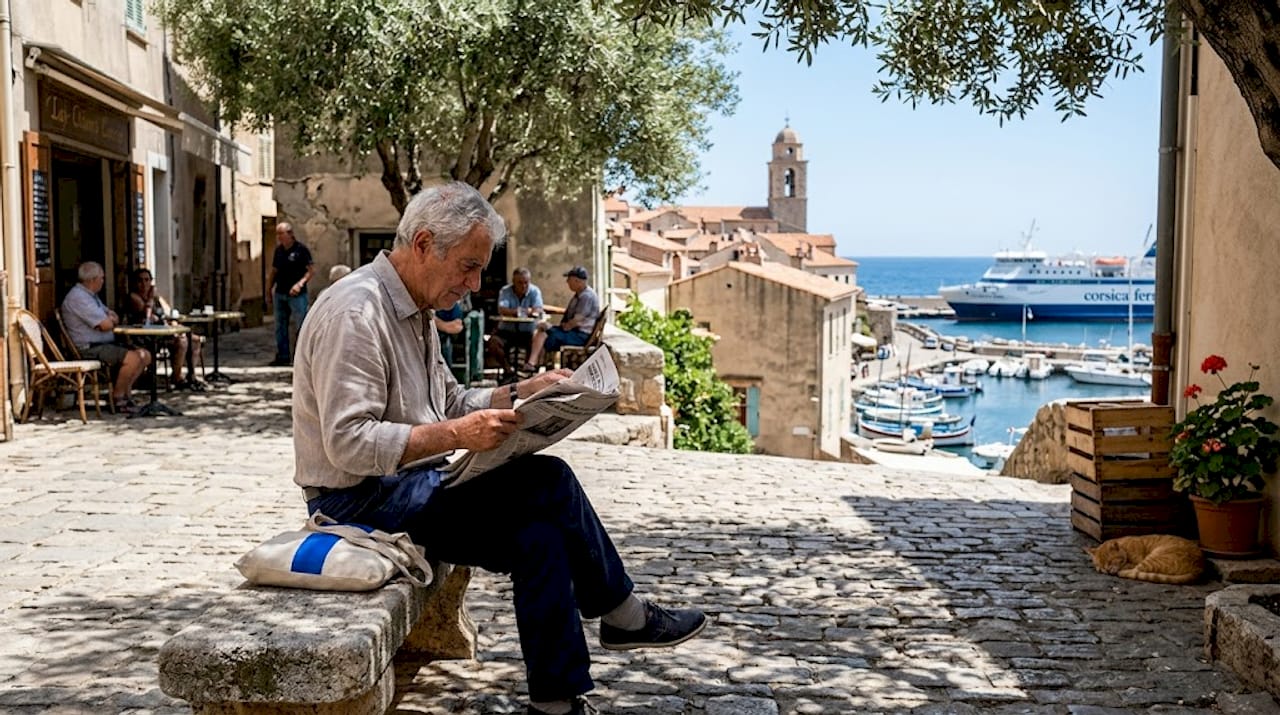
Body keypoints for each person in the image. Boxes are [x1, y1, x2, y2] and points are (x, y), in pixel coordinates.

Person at [293, 182, 705, 715]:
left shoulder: (415, 307)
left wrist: (521, 393)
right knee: (549, 479)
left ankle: (555, 705)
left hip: (409, 485)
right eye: (468, 267)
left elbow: (448, 401)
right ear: (423, 244)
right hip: (357, 503)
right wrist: (458, 436)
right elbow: (348, 443)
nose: (473, 284)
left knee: (540, 538)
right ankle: (623, 613)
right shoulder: (357, 312)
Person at [61, 261, 152, 414]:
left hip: (102, 344)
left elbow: (113, 316)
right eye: (101, 278)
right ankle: (118, 399)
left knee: (145, 355)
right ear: (92, 280)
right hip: (89, 347)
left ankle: (126, 393)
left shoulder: (91, 297)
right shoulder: (79, 298)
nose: (103, 281)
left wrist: (109, 319)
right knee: (133, 358)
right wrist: (109, 319)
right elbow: (106, 324)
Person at [126, 268, 205, 390]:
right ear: (135, 283)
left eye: (147, 280)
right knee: (182, 342)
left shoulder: (155, 296)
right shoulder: (133, 297)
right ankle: (177, 377)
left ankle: (191, 375)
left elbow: (168, 312)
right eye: (140, 280)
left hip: (162, 333)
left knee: (195, 340)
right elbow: (147, 315)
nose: (144, 284)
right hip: (143, 336)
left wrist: (171, 319)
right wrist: (151, 298)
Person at [522, 266, 600, 372]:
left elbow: (575, 321)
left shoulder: (587, 296)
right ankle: (533, 364)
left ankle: (534, 364)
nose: (567, 282)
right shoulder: (580, 295)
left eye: (569, 279)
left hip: (579, 336)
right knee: (542, 330)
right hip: (574, 333)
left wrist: (555, 327)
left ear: (577, 281)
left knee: (544, 334)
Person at [266, 221, 314, 366]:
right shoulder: (279, 251)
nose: (279, 237)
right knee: (280, 326)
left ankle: (302, 359)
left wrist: (300, 284)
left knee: (301, 326)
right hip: (280, 292)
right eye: (278, 234)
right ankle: (283, 356)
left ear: (290, 234)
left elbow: (311, 270)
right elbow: (274, 271)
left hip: (297, 295)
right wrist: (268, 290)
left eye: (281, 233)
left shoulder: (301, 250)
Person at [487, 267, 543, 378]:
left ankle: (528, 371)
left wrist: (515, 311)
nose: (523, 286)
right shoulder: (505, 291)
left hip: (527, 333)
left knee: (540, 341)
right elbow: (502, 309)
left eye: (526, 283)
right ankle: (508, 370)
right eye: (520, 283)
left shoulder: (534, 291)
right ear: (513, 282)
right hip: (506, 332)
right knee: (493, 343)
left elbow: (538, 309)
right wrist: (523, 311)